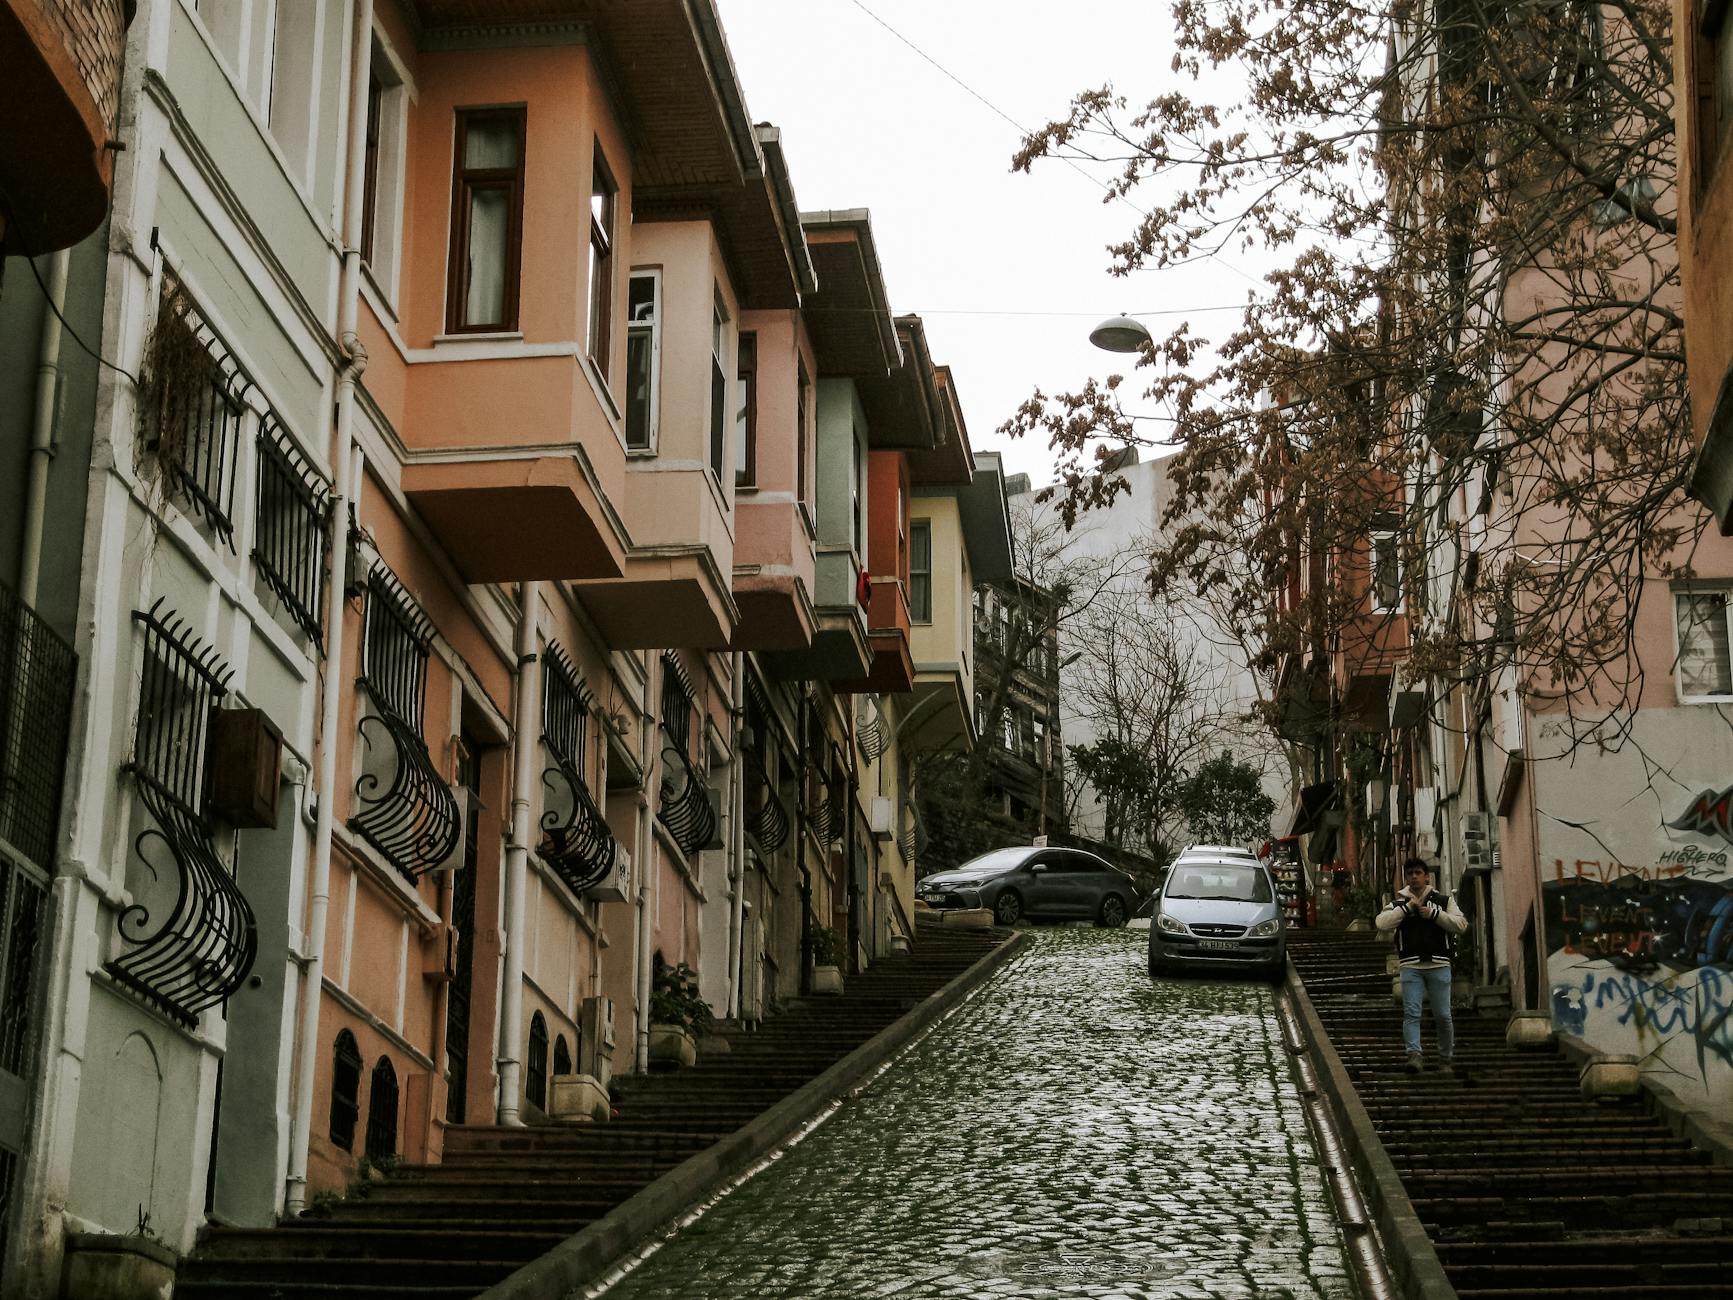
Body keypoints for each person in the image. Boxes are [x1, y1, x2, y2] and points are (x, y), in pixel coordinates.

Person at [1375, 858, 1468, 1074]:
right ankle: (1414, 1055)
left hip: (1439, 964)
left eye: (1418, 872)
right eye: (1410, 873)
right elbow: (1381, 923)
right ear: (1406, 878)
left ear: (1427, 876)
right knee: (1412, 1013)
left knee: (1443, 1015)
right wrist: (1407, 908)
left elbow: (1461, 925)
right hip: (1411, 966)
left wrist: (1434, 914)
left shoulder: (1444, 901)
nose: (1414, 877)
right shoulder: (1398, 904)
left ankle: (1445, 1059)